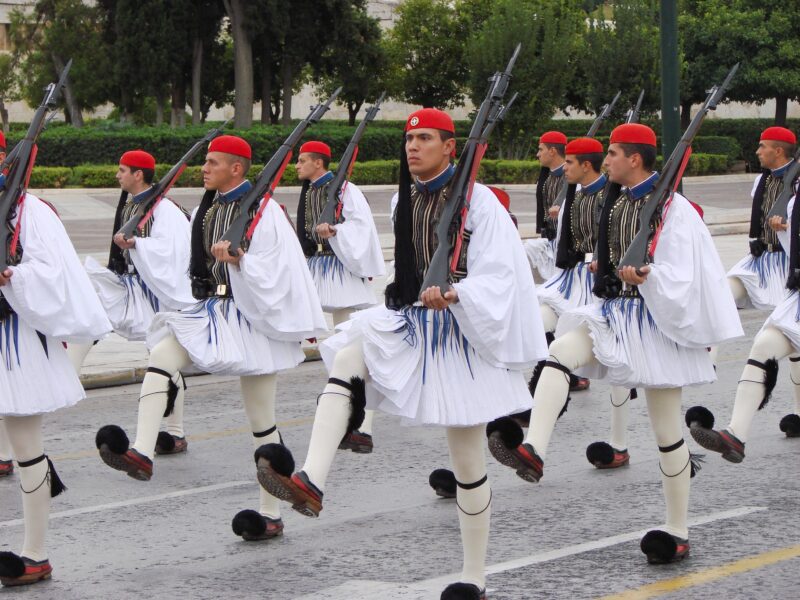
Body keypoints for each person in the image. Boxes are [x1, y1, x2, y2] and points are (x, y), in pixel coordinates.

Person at [254, 108, 548, 599]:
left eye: (427, 139)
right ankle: (311, 480)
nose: (414, 148)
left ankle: (473, 576)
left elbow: (503, 275)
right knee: (348, 354)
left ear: (450, 147)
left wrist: (458, 293)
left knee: (467, 461)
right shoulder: (402, 199)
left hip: (464, 335)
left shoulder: (480, 204)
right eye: (410, 141)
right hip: (414, 321)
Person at [486, 123, 743, 564]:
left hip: (657, 324)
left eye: (613, 154)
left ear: (635, 159)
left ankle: (678, 530)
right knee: (559, 354)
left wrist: (648, 275)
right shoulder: (616, 201)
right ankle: (535, 450)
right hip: (613, 313)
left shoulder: (673, 210)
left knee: (666, 432)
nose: (606, 162)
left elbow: (685, 273)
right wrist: (603, 270)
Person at [94, 135, 327, 542]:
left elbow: (281, 270)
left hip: (253, 319)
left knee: (261, 420)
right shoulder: (207, 209)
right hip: (212, 311)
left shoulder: (263, 211)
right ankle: (143, 452)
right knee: (162, 354)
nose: (205, 168)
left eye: (214, 162)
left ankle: (271, 511)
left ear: (237, 168)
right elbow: (185, 264)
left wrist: (242, 262)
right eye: (206, 162)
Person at [0, 181, 111, 586]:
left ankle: (35, 554)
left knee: (26, 449)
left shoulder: (31, 211)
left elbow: (54, 271)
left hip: (12, 338)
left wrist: (12, 275)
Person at [72, 150, 194, 454]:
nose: (117, 175)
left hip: (158, 290)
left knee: (162, 357)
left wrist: (138, 244)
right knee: (88, 319)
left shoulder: (165, 210)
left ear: (138, 174)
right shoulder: (131, 204)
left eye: (122, 170)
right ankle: (66, 378)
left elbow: (175, 252)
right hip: (128, 284)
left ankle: (175, 433)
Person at [295, 140, 384, 453]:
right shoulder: (309, 190)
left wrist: (336, 232)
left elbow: (361, 226)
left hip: (340, 267)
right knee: (326, 340)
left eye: (302, 161)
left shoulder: (346, 190)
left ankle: (363, 422)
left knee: (351, 344)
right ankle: (342, 401)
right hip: (317, 266)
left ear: (318, 163)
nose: (297, 166)